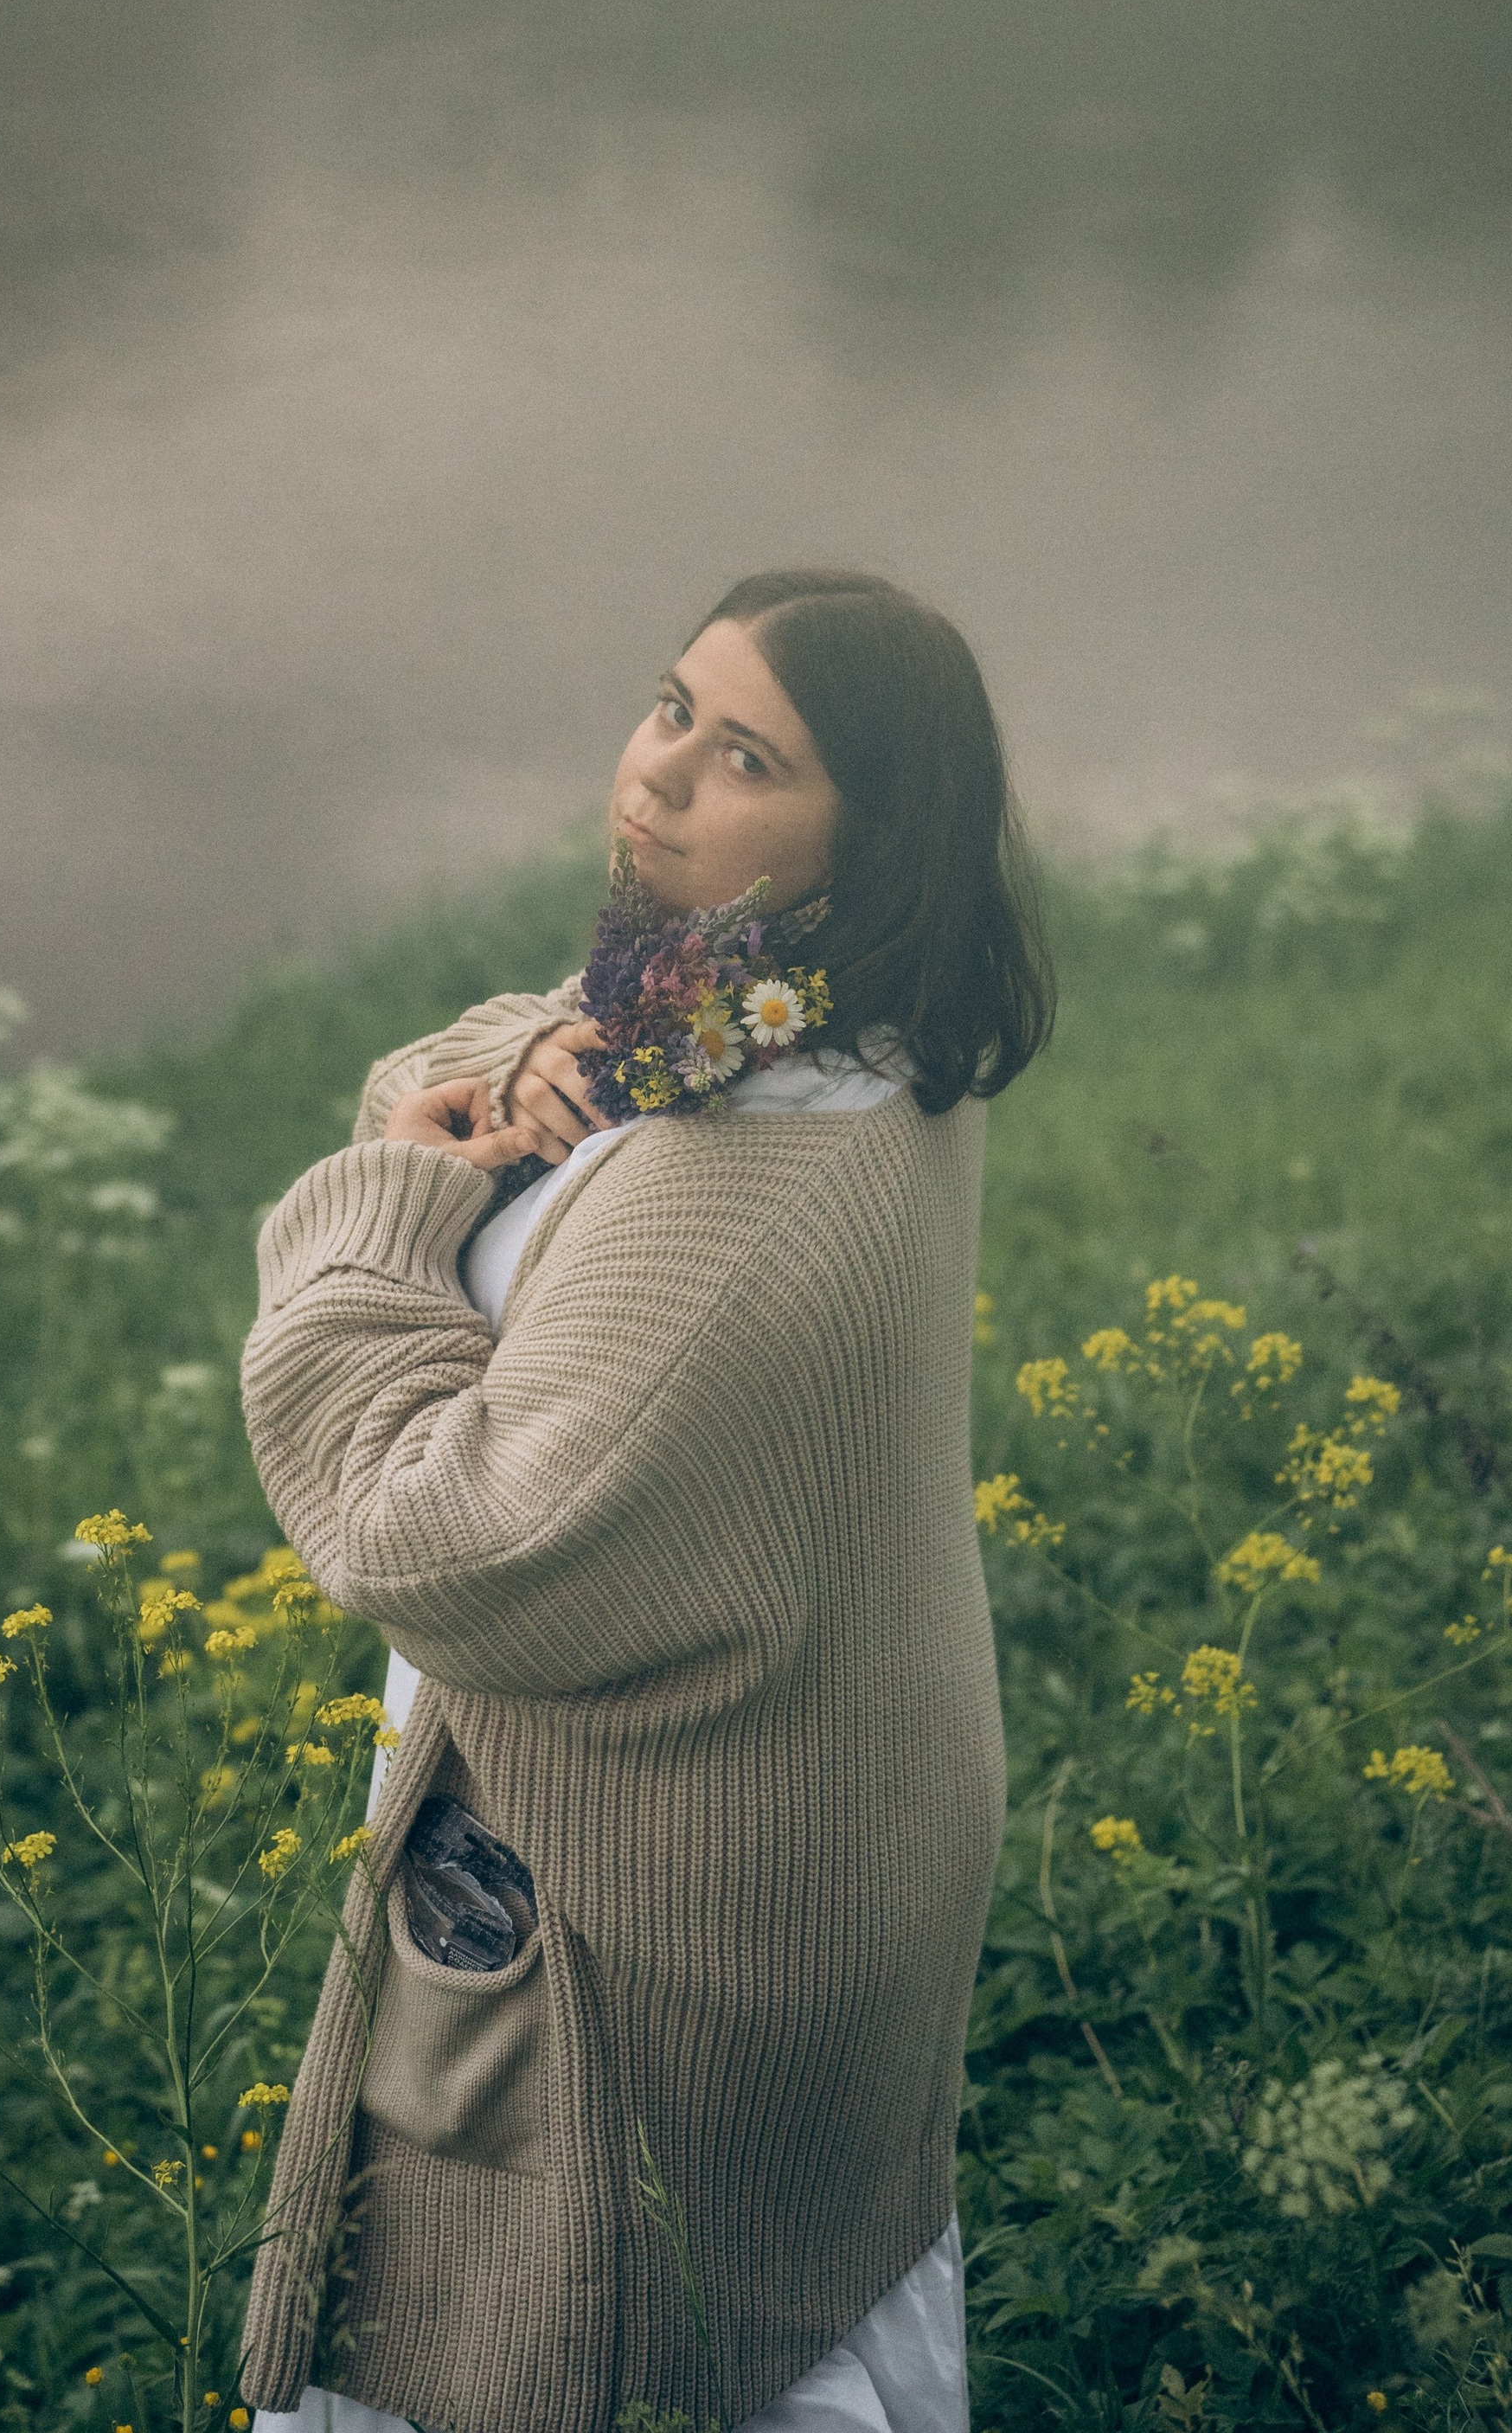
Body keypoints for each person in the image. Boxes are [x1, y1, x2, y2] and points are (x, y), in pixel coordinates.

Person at [239, 568, 1053, 2433]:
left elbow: (436, 1539)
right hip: (802, 1832)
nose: (657, 775)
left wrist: (373, 1220)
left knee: (576, 2350)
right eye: (668, 704)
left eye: (746, 755)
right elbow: (460, 1071)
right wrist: (513, 1077)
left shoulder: (735, 1185)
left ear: (870, 837)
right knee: (777, 2318)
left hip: (651, 1921)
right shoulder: (812, 1028)